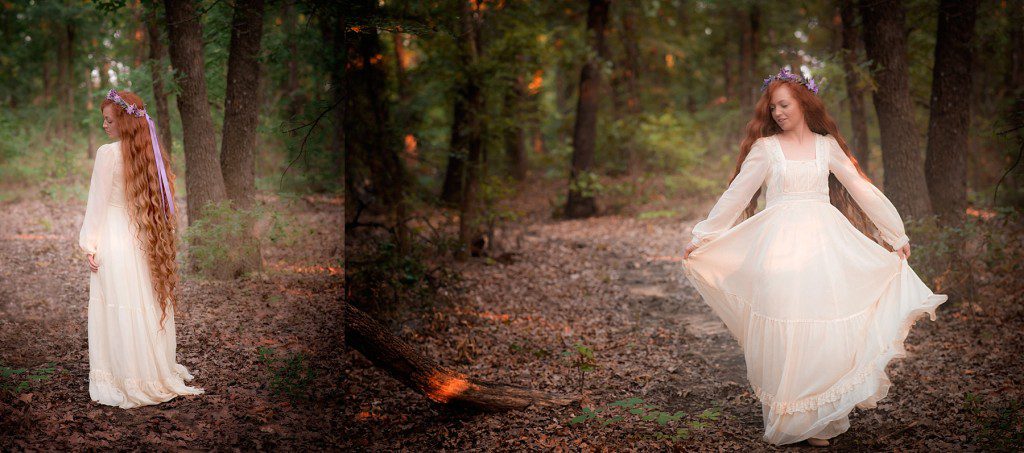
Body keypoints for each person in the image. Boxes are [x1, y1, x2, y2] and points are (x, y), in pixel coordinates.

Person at [681, 68, 948, 447]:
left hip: (824, 246)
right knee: (786, 322)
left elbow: (860, 188)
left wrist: (895, 232)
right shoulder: (766, 149)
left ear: (804, 103)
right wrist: (703, 235)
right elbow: (736, 196)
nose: (777, 113)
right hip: (779, 247)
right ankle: (790, 417)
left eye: (784, 105)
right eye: (773, 108)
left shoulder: (827, 147)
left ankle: (820, 417)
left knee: (823, 324)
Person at [79, 89, 204, 408]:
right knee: (141, 302)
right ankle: (148, 371)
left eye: (109, 120)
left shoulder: (107, 154)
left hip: (113, 237)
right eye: (103, 120)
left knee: (119, 304)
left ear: (124, 121)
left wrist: (89, 243)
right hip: (141, 239)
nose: (104, 125)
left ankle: (126, 375)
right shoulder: (148, 152)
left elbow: (97, 203)